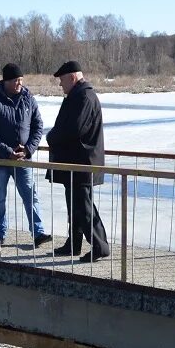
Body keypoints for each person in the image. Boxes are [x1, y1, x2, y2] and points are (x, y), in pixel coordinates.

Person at [0, 63, 52, 248]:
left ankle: (38, 233)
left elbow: (38, 127)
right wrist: (7, 152)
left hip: (23, 159)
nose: (19, 83)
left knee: (31, 195)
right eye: (15, 80)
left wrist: (28, 149)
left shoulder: (29, 99)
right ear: (6, 81)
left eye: (21, 79)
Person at [46, 60, 110, 263]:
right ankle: (73, 244)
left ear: (73, 77)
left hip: (82, 163)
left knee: (84, 207)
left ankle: (100, 246)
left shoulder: (84, 97)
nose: (60, 84)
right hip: (76, 162)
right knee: (75, 206)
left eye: (62, 80)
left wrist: (51, 137)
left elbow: (73, 129)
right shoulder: (79, 95)